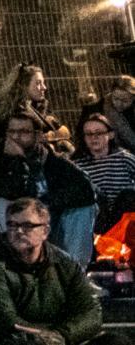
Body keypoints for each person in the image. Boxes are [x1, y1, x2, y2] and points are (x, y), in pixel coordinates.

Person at [0, 197, 132, 345]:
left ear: (44, 231)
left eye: (27, 226)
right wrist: (44, 338)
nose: (18, 232)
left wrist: (62, 336)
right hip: (20, 343)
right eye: (12, 225)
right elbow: (6, 319)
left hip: (61, 341)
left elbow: (91, 314)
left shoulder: (65, 264)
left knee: (116, 341)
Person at [0, 109, 89, 252]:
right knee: (3, 204)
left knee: (83, 209)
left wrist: (48, 203)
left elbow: (87, 189)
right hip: (19, 223)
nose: (16, 137)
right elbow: (11, 192)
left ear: (38, 135)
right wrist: (18, 160)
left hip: (52, 221)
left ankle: (72, 266)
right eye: (12, 132)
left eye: (23, 132)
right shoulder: (0, 163)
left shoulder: (54, 161)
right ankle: (15, 258)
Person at [63, 107, 132, 269]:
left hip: (122, 219)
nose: (94, 138)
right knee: (92, 193)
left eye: (99, 133)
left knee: (128, 195)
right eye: (89, 134)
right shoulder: (77, 165)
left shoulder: (125, 159)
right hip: (94, 221)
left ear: (110, 135)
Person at [0, 62, 59, 166]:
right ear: (24, 86)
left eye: (43, 83)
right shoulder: (5, 113)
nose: (44, 87)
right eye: (38, 83)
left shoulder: (41, 111)